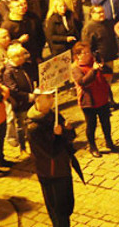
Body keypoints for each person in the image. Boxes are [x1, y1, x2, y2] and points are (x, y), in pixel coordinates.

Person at [26, 89, 77, 227]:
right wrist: (59, 135)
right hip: (51, 173)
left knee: (67, 205)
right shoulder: (33, 127)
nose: (52, 99)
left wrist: (68, 130)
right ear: (38, 100)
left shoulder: (53, 115)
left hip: (63, 168)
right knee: (58, 210)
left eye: (52, 96)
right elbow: (51, 152)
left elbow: (71, 139)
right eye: (48, 97)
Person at [70, 42, 116, 157]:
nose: (87, 55)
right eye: (84, 53)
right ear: (77, 56)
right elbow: (83, 82)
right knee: (91, 125)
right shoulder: (76, 68)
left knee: (106, 122)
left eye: (88, 52)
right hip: (88, 102)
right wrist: (94, 70)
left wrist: (103, 66)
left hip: (102, 98)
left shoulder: (94, 62)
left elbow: (108, 73)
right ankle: (92, 146)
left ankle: (109, 142)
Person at [0, 44, 35, 154]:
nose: (22, 58)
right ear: (12, 57)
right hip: (20, 103)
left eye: (22, 55)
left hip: (30, 99)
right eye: (19, 56)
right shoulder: (8, 72)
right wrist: (27, 96)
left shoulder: (24, 66)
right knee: (22, 126)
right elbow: (13, 91)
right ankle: (23, 147)